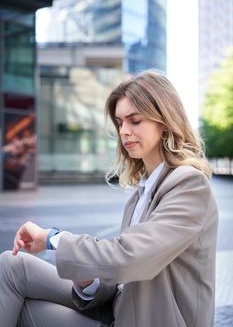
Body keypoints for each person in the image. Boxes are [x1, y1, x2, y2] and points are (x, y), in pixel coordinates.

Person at [0, 70, 218, 327]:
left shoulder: (189, 185)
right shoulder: (142, 193)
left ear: (165, 123)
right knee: (11, 266)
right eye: (120, 122)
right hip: (122, 310)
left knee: (24, 310)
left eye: (135, 120)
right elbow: (124, 286)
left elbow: (129, 258)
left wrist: (52, 238)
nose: (124, 131)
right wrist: (88, 281)